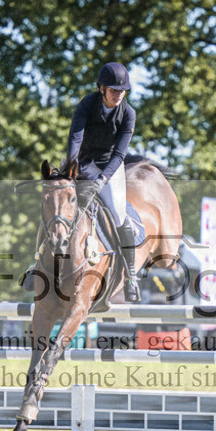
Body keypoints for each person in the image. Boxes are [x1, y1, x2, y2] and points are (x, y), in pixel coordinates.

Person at [66, 62, 141, 302]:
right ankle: (37, 261)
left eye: (122, 91)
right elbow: (75, 138)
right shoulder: (87, 104)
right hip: (84, 162)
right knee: (59, 206)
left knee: (118, 215)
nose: (118, 95)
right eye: (113, 90)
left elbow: (119, 155)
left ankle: (131, 275)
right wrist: (72, 165)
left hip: (111, 167)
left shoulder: (128, 114)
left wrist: (102, 179)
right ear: (102, 89)